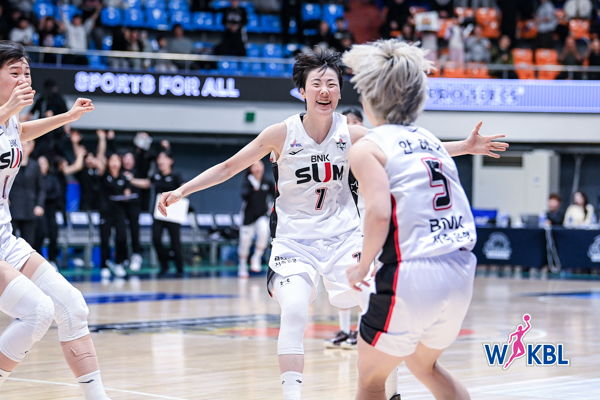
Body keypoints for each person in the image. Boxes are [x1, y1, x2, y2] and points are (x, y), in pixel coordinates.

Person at [157, 47, 507, 400]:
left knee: (378, 307)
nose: (324, 90)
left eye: (332, 84)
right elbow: (229, 167)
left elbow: (405, 150)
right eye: (317, 84)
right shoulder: (281, 133)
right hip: (295, 242)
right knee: (295, 309)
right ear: (302, 91)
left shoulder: (351, 133)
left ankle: (391, 392)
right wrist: (182, 190)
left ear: (340, 92)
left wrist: (465, 146)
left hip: (344, 240)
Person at [343, 39, 478, 400]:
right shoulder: (431, 141)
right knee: (425, 366)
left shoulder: (368, 147)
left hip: (413, 274)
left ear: (369, 99)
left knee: (370, 380)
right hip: (460, 269)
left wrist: (363, 266)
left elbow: (379, 213)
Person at [0, 40, 111, 399]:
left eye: (27, 73)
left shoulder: (10, 119)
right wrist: (7, 110)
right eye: (14, 72)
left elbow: (21, 133)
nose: (24, 79)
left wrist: (67, 118)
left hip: (5, 238)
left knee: (71, 306)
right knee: (37, 311)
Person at [128, 151, 185, 277]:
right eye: (159, 158)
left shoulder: (176, 175)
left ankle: (179, 267)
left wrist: (179, 196)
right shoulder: (156, 175)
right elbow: (147, 183)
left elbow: (185, 189)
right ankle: (164, 265)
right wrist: (131, 180)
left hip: (173, 213)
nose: (161, 161)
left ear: (170, 161)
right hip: (159, 213)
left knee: (175, 241)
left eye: (164, 158)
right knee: (156, 239)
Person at [96, 152, 130, 279]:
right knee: (105, 238)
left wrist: (127, 194)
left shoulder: (123, 177)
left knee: (122, 237)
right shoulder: (103, 174)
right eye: (112, 160)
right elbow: (99, 160)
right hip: (106, 211)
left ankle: (118, 263)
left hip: (119, 211)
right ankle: (104, 265)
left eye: (117, 160)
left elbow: (127, 190)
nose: (115, 163)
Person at [237, 160, 274, 278]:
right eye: (255, 166)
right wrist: (254, 188)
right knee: (245, 241)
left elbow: (276, 194)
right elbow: (244, 195)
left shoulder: (267, 182)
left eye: (260, 165)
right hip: (248, 216)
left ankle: (256, 257)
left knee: (264, 232)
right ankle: (242, 265)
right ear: (250, 169)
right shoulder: (248, 182)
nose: (258, 168)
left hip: (262, 214)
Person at [9, 140, 45, 246]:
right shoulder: (10, 164)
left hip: (29, 207)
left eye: (26, 145)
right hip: (12, 207)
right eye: (22, 145)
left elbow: (41, 188)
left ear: (31, 147)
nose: (24, 148)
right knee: (9, 241)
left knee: (28, 242)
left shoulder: (35, 165)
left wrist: (39, 205)